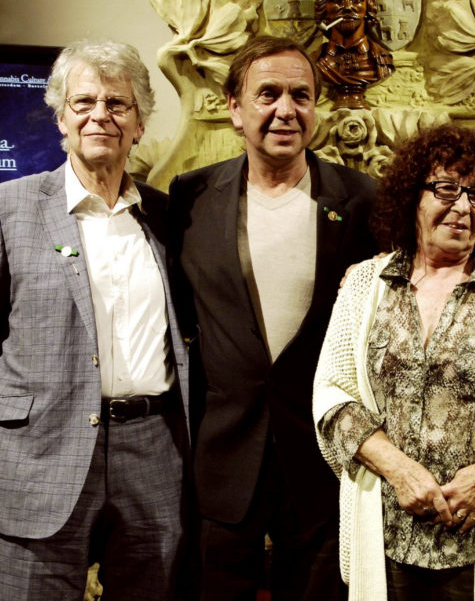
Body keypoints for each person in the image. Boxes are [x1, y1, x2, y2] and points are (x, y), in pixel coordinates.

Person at [0, 38, 191, 600]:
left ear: (139, 124)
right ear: (60, 117)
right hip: (36, 455)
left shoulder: (169, 215)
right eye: (83, 103)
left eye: (117, 104)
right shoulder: (5, 207)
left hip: (153, 453)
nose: (99, 115)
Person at [313, 123, 475, 600]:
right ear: (412, 195)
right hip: (388, 535)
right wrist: (399, 470)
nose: (462, 207)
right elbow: (332, 397)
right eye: (446, 189)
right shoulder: (366, 284)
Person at [168, 35, 376, 601]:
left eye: (300, 95)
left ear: (317, 109)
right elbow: (183, 319)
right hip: (223, 458)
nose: (286, 110)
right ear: (235, 109)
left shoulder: (363, 200)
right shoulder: (188, 198)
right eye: (268, 94)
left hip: (322, 459)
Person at [313, 0, 394, 105]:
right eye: (338, 0)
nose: (347, 7)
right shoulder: (315, 62)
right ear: (324, 8)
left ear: (368, 6)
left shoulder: (383, 61)